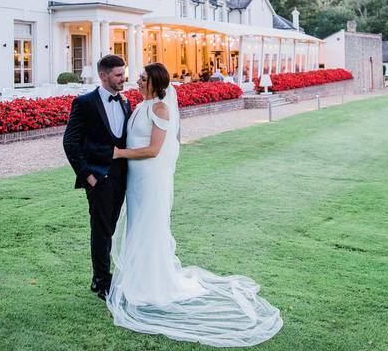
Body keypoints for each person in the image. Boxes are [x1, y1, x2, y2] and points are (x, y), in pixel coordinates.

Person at [106, 62, 282, 346]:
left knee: (150, 226)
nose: (136, 81)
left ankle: (151, 284)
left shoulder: (160, 109)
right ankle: (137, 279)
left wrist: (119, 153)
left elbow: (154, 149)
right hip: (136, 179)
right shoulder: (140, 106)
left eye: (142, 78)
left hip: (151, 179)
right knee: (137, 225)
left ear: (154, 83)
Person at [61, 54, 130, 300]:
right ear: (103, 75)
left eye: (123, 74)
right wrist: (87, 176)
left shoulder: (125, 102)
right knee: (100, 230)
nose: (123, 79)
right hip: (98, 178)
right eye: (118, 75)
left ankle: (103, 276)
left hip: (122, 177)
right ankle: (101, 280)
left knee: (109, 228)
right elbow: (70, 142)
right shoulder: (84, 103)